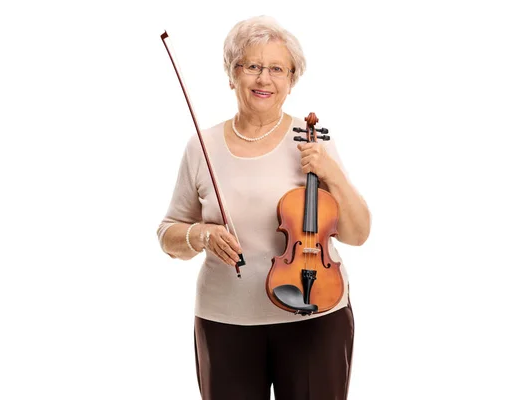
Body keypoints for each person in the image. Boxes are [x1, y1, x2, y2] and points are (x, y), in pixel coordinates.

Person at [157, 15, 371, 400]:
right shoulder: (201, 147)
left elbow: (357, 233)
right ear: (231, 73)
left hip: (315, 315)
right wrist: (200, 234)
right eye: (252, 66)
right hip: (225, 321)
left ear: (291, 81)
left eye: (277, 69)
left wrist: (331, 173)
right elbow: (169, 233)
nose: (264, 79)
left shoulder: (311, 144)